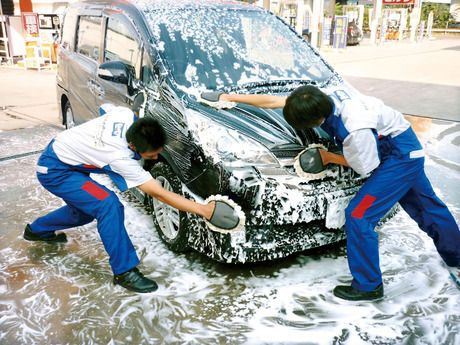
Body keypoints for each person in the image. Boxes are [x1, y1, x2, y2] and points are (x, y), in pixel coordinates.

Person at [200, 86, 460, 300]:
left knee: (359, 215)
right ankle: (456, 255)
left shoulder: (355, 129)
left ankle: (368, 285)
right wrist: (228, 97)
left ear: (316, 121)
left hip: (397, 158)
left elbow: (366, 166)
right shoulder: (320, 97)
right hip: (405, 146)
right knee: (428, 207)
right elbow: (274, 101)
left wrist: (327, 157)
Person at [25, 96, 236, 293]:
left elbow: (104, 109)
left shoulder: (125, 115)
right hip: (56, 170)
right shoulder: (119, 157)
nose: (155, 157)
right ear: (133, 146)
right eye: (151, 155)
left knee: (85, 211)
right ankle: (124, 272)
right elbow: (159, 193)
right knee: (108, 205)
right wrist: (204, 210)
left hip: (65, 153)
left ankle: (37, 230)